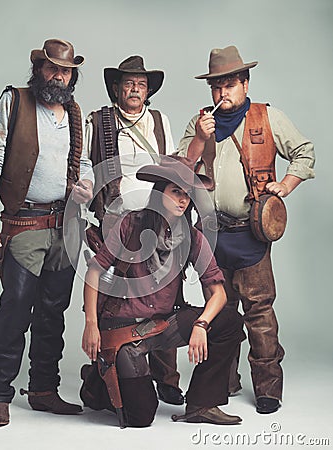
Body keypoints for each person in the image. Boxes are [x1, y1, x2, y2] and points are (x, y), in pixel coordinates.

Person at [177, 45, 315, 414]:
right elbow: (178, 169)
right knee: (221, 312)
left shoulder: (267, 117)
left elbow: (304, 152)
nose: (222, 93)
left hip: (251, 232)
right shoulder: (200, 122)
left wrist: (284, 186)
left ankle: (268, 388)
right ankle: (224, 380)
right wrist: (200, 141)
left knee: (260, 313)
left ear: (244, 82)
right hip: (211, 234)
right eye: (215, 86)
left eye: (228, 84)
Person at [0, 39, 94, 426]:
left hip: (66, 225)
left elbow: (85, 162)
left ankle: (43, 390)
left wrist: (86, 186)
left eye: (66, 70)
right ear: (39, 69)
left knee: (53, 312)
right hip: (24, 222)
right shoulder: (15, 101)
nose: (59, 75)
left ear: (72, 75)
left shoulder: (75, 113)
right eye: (52, 68)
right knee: (15, 307)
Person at [81, 156, 245, 427]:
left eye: (187, 195)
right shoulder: (131, 224)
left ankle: (202, 405)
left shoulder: (192, 237)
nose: (183, 200)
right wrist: (91, 324)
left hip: (161, 324)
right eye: (175, 192)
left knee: (229, 321)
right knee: (140, 417)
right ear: (160, 193)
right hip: (124, 329)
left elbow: (219, 293)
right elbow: (94, 271)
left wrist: (202, 324)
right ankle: (96, 384)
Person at [85, 55, 183, 405]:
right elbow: (84, 166)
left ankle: (167, 377)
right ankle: (107, 365)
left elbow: (172, 165)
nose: (134, 89)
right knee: (119, 298)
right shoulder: (99, 121)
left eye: (141, 84)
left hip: (157, 218)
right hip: (116, 219)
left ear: (148, 90)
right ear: (116, 87)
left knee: (166, 292)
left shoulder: (159, 121)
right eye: (128, 83)